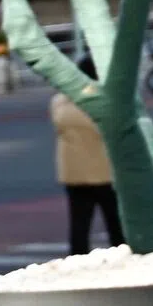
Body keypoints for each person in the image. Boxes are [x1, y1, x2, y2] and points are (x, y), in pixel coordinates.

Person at [49, 57, 124, 255]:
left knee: (79, 226)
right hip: (106, 173)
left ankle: (77, 263)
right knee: (116, 227)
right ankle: (124, 263)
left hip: (74, 175)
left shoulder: (61, 102)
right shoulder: (106, 102)